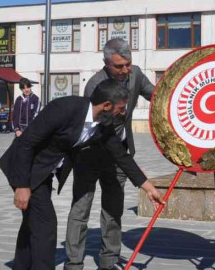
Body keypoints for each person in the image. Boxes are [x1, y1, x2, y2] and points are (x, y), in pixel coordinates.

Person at [0, 80, 163, 270]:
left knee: (32, 223)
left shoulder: (103, 125)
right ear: (107, 105)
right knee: (45, 225)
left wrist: (148, 187)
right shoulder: (64, 108)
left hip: (43, 172)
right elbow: (26, 143)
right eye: (121, 108)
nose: (123, 112)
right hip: (24, 167)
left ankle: (21, 266)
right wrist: (22, 185)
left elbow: (120, 155)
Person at [65, 38, 155, 270]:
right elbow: (95, 129)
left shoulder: (135, 74)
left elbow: (155, 95)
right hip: (90, 154)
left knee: (113, 210)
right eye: (119, 66)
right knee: (80, 209)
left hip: (119, 153)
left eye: (128, 64)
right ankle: (73, 263)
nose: (125, 70)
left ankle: (109, 261)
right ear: (106, 63)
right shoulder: (94, 85)